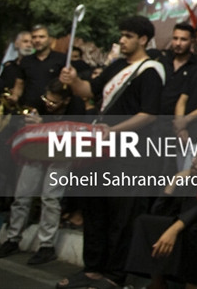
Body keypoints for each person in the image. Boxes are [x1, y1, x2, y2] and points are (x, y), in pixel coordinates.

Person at [56, 15, 165, 289]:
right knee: (95, 210)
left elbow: (148, 114)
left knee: (121, 216)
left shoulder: (151, 70)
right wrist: (72, 81)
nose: (122, 40)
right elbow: (89, 90)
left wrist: (113, 131)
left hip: (128, 155)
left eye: (128, 35)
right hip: (100, 152)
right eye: (122, 34)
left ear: (143, 39)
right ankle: (93, 268)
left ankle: (115, 275)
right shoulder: (116, 66)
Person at [0, 80, 85, 265]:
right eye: (47, 99)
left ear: (66, 100)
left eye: (54, 102)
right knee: (22, 195)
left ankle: (47, 245)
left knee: (50, 198)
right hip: (37, 149)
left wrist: (44, 124)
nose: (48, 104)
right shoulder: (40, 101)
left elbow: (76, 131)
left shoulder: (76, 106)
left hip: (62, 151)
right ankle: (13, 238)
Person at [124, 147, 197, 289]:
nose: (194, 161)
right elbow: (158, 212)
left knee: (195, 231)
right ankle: (158, 284)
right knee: (144, 221)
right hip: (180, 235)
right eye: (194, 157)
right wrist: (174, 180)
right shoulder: (189, 182)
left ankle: (192, 286)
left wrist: (174, 229)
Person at [11, 24, 67, 109]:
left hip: (52, 110)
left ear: (50, 39)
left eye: (41, 37)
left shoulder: (61, 59)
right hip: (29, 110)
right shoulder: (25, 61)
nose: (37, 40)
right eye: (34, 37)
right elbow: (19, 85)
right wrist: (14, 97)